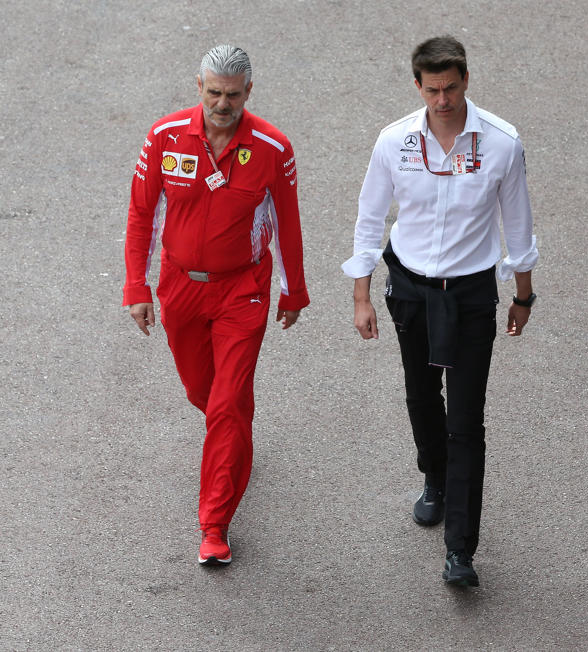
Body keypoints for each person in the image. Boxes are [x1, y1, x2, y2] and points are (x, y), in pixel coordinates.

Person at [342, 36, 538, 587]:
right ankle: (434, 478)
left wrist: (523, 294)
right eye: (433, 90)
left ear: (466, 80)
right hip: (410, 288)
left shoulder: (501, 143)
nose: (444, 99)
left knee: (466, 420)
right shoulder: (393, 142)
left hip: (472, 293)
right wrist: (361, 295)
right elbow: (369, 218)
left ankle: (460, 550)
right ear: (417, 87)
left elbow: (517, 226)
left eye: (451, 87)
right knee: (422, 395)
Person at [123, 45, 309, 566]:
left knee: (227, 405)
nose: (221, 104)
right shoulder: (165, 137)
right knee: (203, 394)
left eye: (231, 95)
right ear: (198, 87)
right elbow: (140, 216)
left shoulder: (273, 147)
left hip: (242, 290)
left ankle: (215, 525)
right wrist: (135, 287)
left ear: (248, 92)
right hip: (180, 287)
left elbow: (288, 224)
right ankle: (233, 443)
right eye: (212, 93)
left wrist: (294, 290)